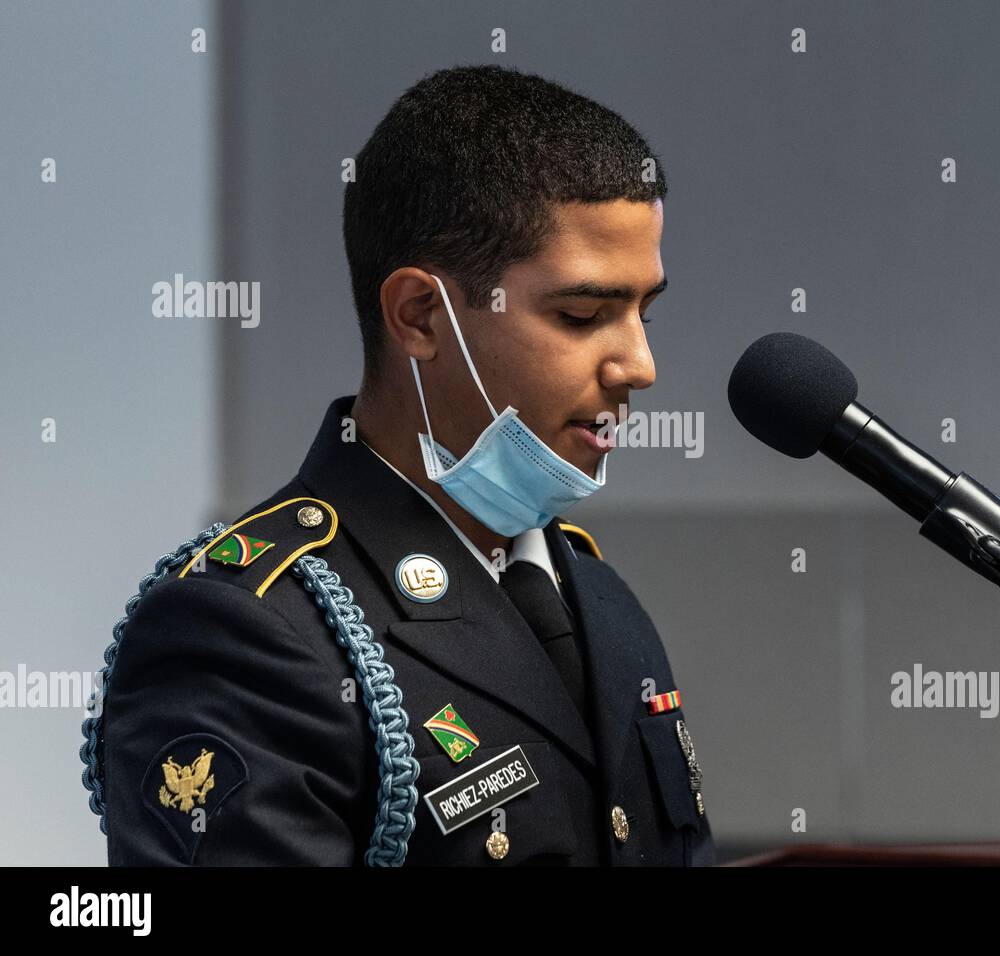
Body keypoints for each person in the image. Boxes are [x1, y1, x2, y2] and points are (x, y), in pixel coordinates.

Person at [80, 64, 715, 867]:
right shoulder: (248, 631)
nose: (639, 365)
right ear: (421, 316)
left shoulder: (594, 595)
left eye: (644, 312)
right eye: (583, 315)